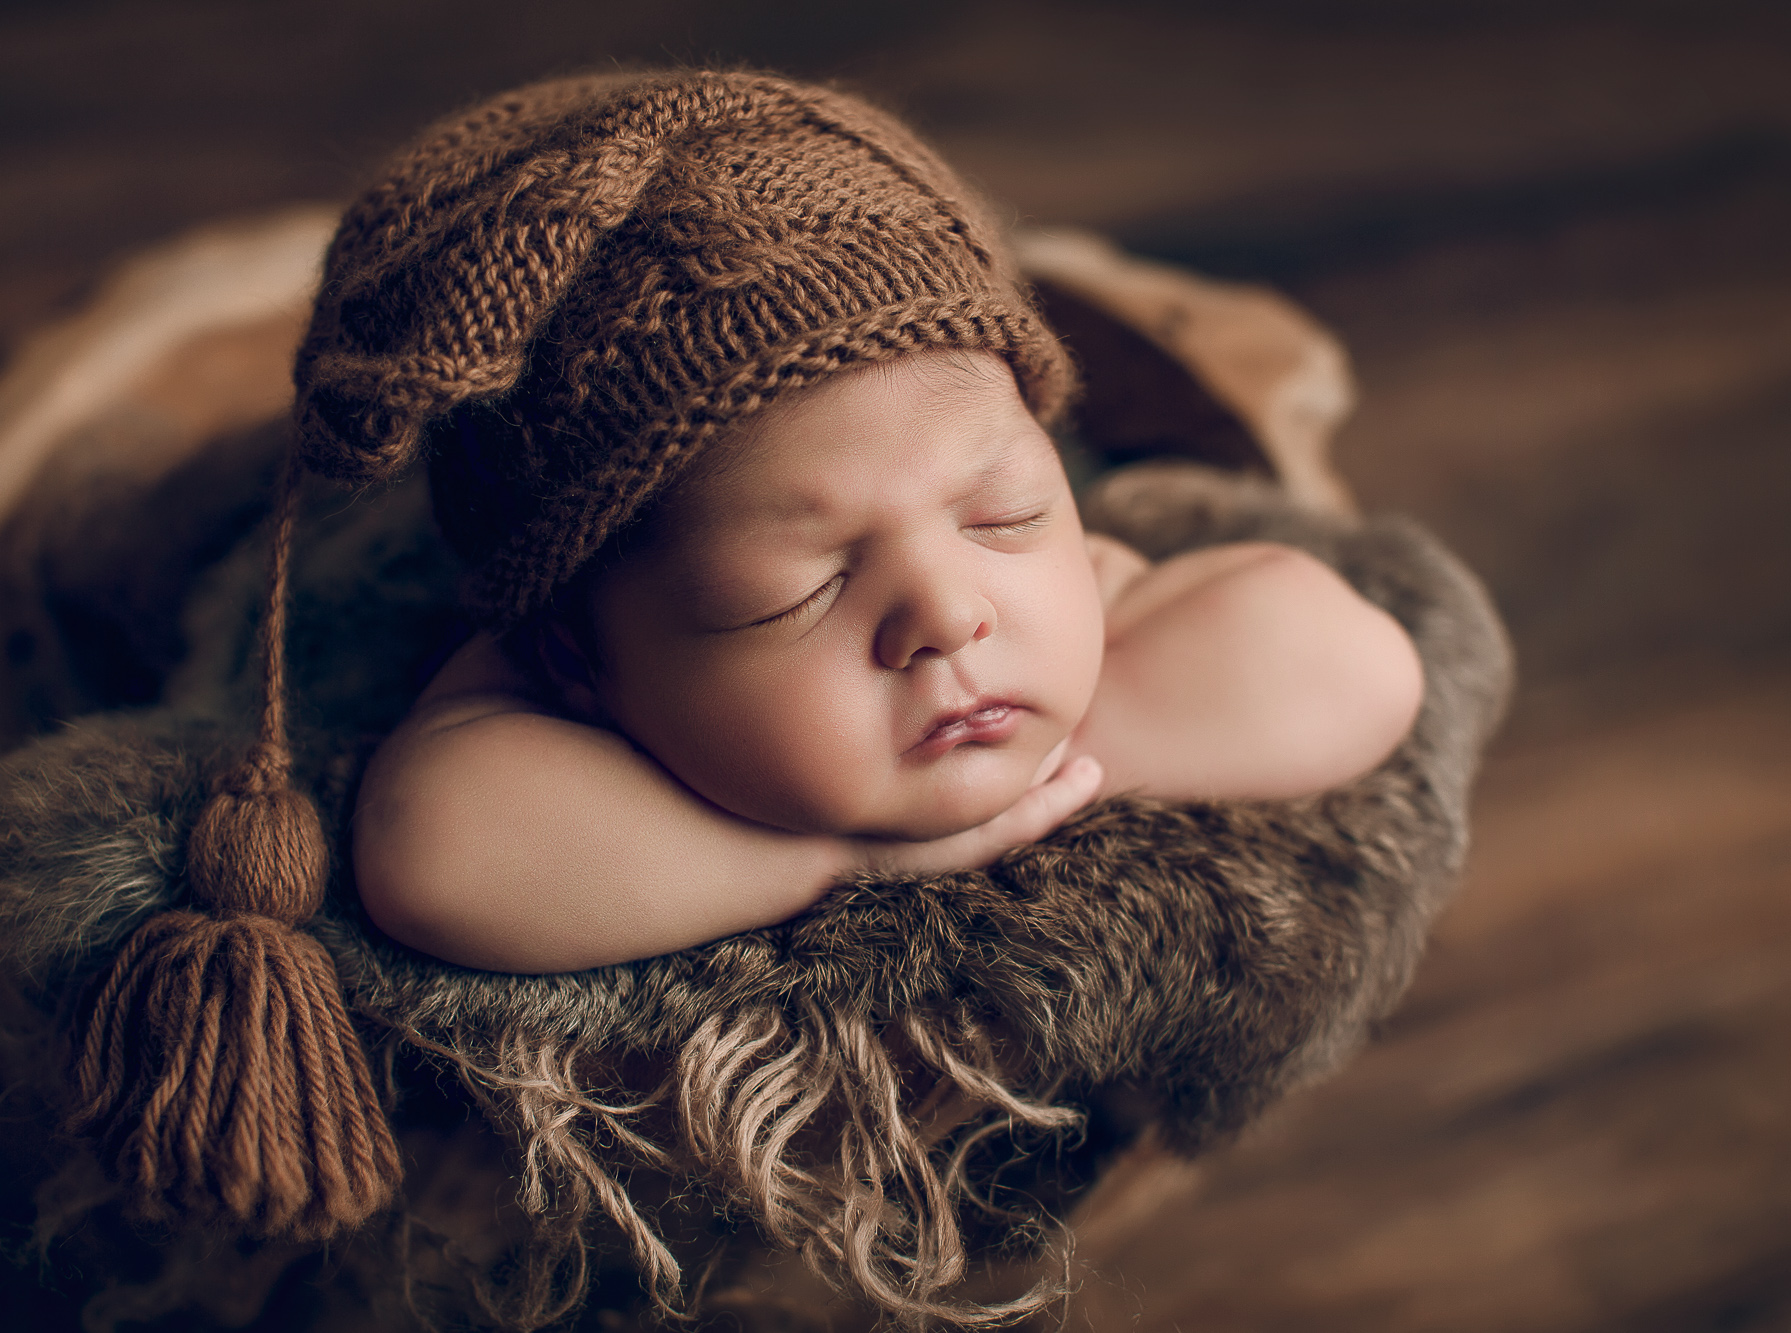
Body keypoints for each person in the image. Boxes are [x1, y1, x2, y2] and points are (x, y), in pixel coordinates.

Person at [293, 69, 1423, 975]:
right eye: (799, 590)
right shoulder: (540, 689)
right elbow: (433, 858)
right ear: (578, 658)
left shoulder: (1067, 591)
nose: (946, 612)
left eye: (1003, 513)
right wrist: (841, 854)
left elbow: (1348, 662)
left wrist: (1076, 757)